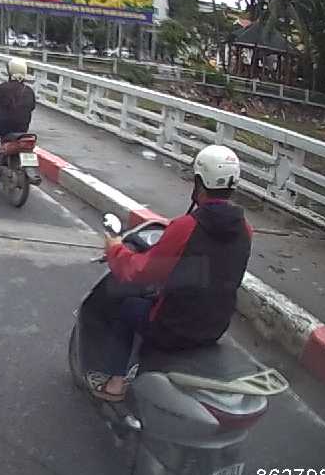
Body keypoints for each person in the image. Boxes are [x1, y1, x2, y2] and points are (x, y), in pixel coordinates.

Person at [85, 145, 252, 401]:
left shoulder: (187, 226)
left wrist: (115, 249)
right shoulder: (245, 228)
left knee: (127, 309)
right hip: (216, 325)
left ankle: (115, 383)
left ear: (199, 182)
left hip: (174, 325)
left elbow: (141, 271)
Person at [0, 57, 36, 172]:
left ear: (10, 71)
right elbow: (32, 107)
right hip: (22, 129)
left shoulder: (3, 88)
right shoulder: (29, 91)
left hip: (2, 128)